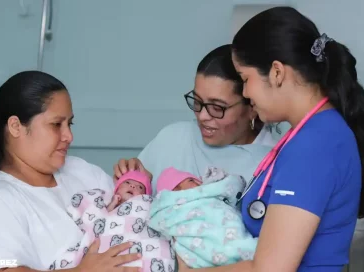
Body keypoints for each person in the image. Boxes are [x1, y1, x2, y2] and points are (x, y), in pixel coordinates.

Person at [176, 6, 364, 272]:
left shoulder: (314, 145)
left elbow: (270, 269)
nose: (245, 92)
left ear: (277, 72)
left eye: (245, 79)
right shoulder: (314, 132)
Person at [0, 71, 141, 272]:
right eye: (56, 124)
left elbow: (133, 216)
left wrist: (138, 183)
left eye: (69, 124)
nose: (69, 136)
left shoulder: (81, 171)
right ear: (16, 126)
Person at [113, 44, 287, 194]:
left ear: (252, 107)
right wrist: (133, 179)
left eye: (217, 107)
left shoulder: (275, 165)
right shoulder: (172, 139)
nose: (202, 116)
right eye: (197, 102)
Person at [52, 171, 175, 272]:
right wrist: (114, 203)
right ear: (117, 189)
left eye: (140, 187)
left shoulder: (147, 204)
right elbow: (103, 218)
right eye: (127, 182)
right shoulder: (111, 203)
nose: (133, 186)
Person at [148, 167, 257, 268]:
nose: (199, 182)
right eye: (191, 180)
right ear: (176, 190)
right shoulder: (172, 209)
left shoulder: (207, 196)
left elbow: (234, 192)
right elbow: (228, 185)